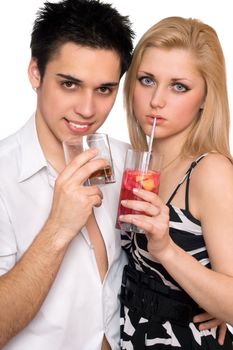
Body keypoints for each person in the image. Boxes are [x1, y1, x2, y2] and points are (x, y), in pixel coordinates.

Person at [0, 0, 134, 349]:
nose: (87, 110)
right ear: (35, 73)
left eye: (104, 89)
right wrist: (59, 228)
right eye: (70, 84)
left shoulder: (127, 163)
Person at [118, 16, 233, 349]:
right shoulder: (138, 163)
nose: (157, 100)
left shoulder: (209, 171)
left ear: (204, 98)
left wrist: (167, 250)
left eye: (178, 86)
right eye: (147, 80)